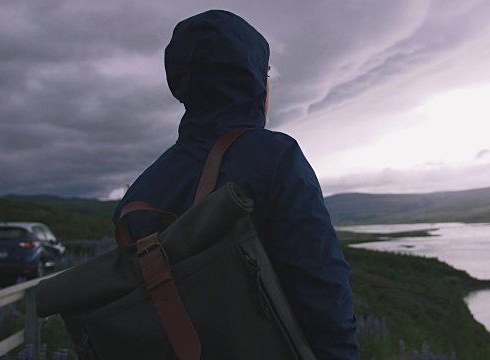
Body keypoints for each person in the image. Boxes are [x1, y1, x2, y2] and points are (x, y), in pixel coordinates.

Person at [112, 9, 359, 359]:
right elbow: (322, 290)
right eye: (267, 72)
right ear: (254, 79)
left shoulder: (137, 196)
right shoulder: (274, 157)